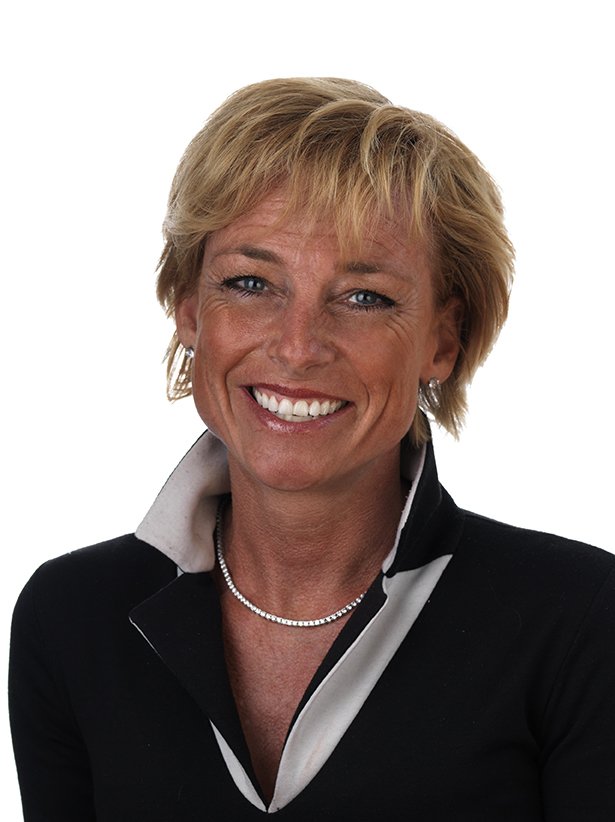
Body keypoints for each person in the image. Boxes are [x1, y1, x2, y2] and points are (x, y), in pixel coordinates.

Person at [9, 77, 615, 821]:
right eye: (250, 283)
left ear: (442, 340)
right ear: (190, 311)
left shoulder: (579, 622)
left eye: (364, 297)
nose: (297, 348)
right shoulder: (72, 618)